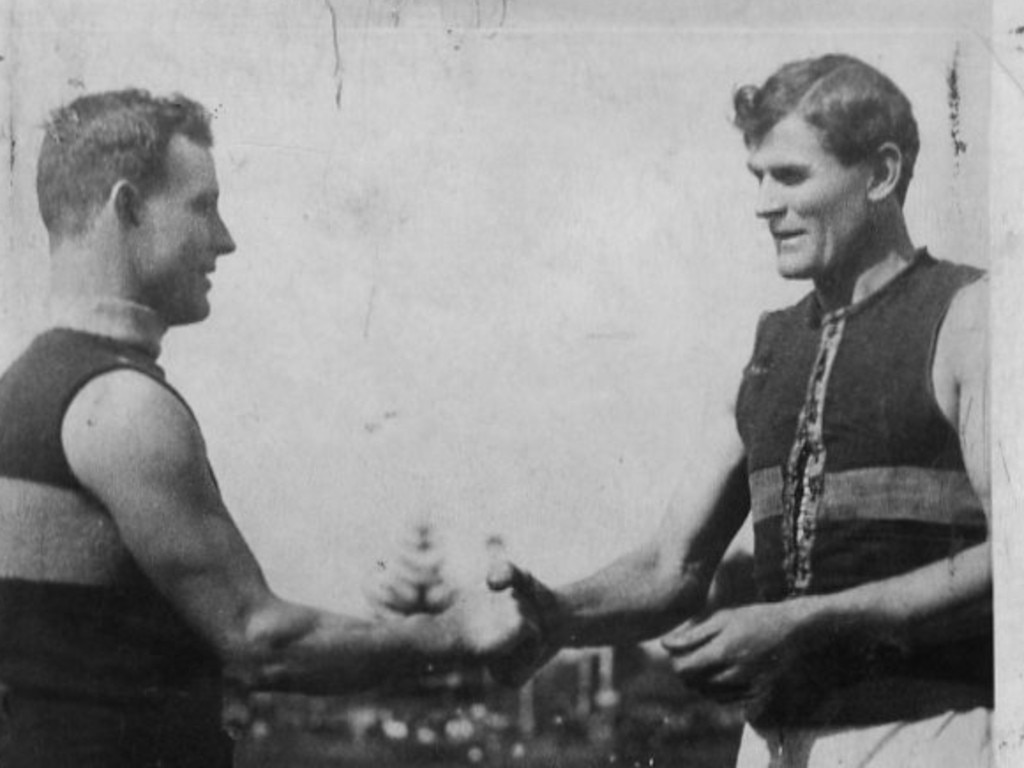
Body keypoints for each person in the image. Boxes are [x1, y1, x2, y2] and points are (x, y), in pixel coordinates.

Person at [0, 89, 531, 767]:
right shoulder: (121, 407)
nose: (224, 239)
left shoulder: (20, 394)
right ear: (127, 208)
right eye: (203, 206)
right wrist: (458, 633)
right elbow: (260, 638)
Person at [489, 53, 992, 767]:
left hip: (936, 735)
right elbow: (674, 566)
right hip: (771, 746)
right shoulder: (768, 351)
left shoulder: (971, 318)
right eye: (757, 177)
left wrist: (802, 624)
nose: (763, 204)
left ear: (880, 175)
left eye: (790, 175)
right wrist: (560, 615)